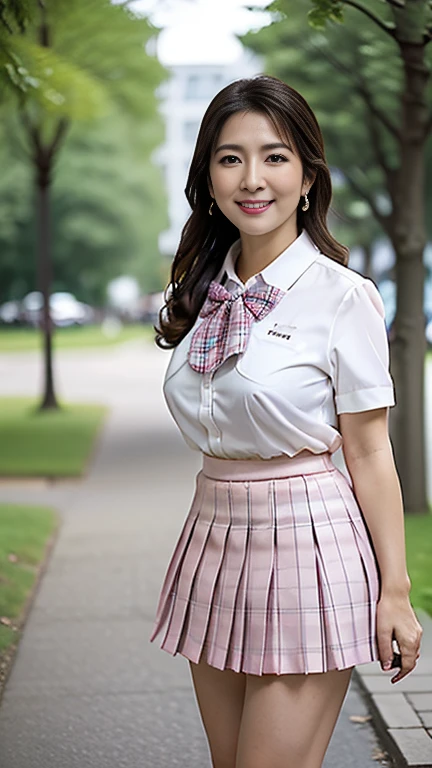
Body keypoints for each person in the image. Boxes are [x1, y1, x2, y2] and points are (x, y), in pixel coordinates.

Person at [149, 75, 423, 768]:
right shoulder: (203, 292)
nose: (252, 177)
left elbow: (368, 454)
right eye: (229, 157)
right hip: (211, 536)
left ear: (307, 176)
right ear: (207, 177)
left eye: (274, 156)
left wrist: (396, 593)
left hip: (306, 541)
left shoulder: (343, 296)